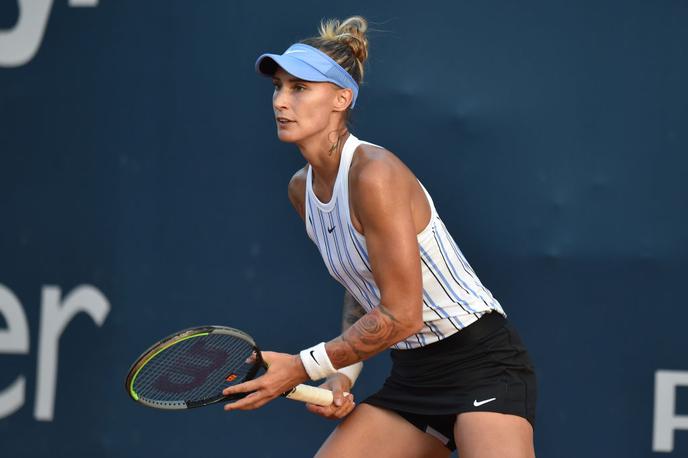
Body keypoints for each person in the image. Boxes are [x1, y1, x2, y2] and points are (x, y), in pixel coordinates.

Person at [222, 16, 537, 457]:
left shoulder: (375, 174)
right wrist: (342, 376)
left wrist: (300, 366)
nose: (280, 102)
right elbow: (365, 287)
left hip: (481, 363)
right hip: (413, 375)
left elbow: (402, 314)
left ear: (341, 98)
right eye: (278, 87)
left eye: (299, 88)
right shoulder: (302, 190)